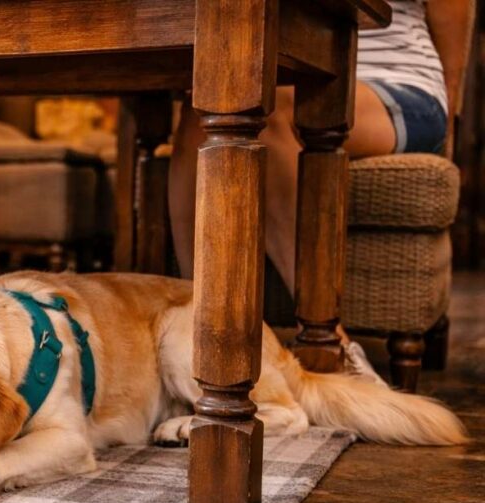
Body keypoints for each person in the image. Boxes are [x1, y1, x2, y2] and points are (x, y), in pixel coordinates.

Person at [167, 0, 469, 381]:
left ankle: (331, 346)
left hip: (402, 87)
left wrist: (452, 117)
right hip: (293, 71)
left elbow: (453, 12)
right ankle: (200, 335)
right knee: (208, 103)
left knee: (260, 100)